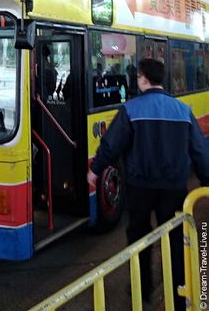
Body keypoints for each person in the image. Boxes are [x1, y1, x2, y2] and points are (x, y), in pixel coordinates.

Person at [87, 58, 209, 310]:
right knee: (176, 239)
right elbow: (200, 151)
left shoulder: (130, 110)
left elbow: (111, 144)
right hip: (174, 189)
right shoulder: (182, 110)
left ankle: (141, 290)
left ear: (142, 79)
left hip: (139, 188)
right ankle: (178, 293)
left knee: (139, 237)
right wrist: (206, 182)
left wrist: (95, 170)